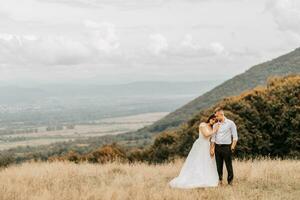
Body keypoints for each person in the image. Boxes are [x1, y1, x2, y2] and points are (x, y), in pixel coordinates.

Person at [169, 114, 220, 189]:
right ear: (210, 118)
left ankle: (206, 178)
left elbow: (212, 139)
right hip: (200, 145)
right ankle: (195, 177)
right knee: (197, 161)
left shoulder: (212, 128)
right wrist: (215, 130)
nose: (213, 121)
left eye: (215, 121)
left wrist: (212, 148)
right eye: (213, 119)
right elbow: (206, 134)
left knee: (207, 162)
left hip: (207, 146)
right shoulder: (203, 125)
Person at [210, 107, 238, 186]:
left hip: (227, 147)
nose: (216, 118)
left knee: (228, 165)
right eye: (215, 116)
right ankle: (220, 180)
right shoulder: (215, 125)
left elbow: (235, 137)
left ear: (221, 114)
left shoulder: (230, 123)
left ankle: (230, 182)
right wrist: (212, 148)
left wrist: (232, 147)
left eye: (217, 116)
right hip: (217, 147)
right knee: (218, 165)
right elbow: (213, 138)